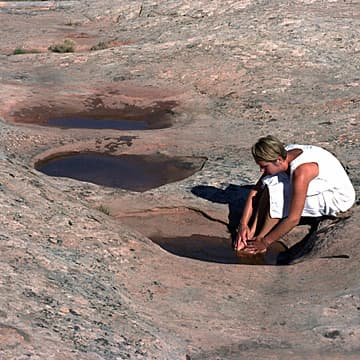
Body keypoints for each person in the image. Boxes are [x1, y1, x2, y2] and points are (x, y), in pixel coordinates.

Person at [234, 135, 356, 253]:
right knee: (270, 182)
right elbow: (256, 190)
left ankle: (260, 239)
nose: (261, 170)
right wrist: (243, 224)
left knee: (280, 193)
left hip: (338, 197)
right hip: (320, 184)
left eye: (264, 166)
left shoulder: (301, 172)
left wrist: (266, 242)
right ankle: (252, 233)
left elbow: (293, 219)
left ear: (279, 160)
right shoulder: (283, 154)